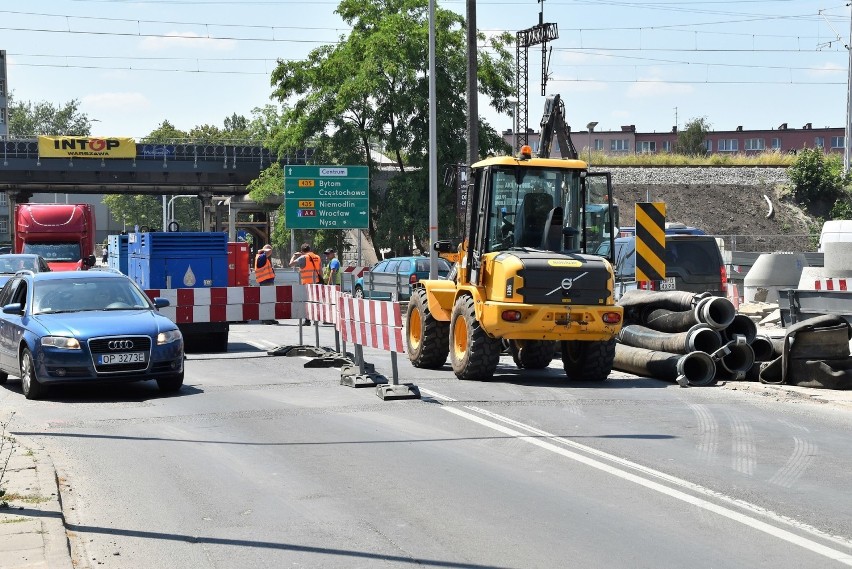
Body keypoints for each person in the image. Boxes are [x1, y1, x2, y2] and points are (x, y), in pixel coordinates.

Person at [289, 243, 322, 325]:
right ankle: (316, 320)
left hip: (307, 283)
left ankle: (307, 320)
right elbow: (320, 270)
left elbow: (291, 264)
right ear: (309, 249)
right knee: (315, 301)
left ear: (302, 251)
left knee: (307, 302)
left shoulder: (303, 257)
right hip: (316, 282)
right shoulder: (317, 257)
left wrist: (294, 255)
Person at [254, 244, 277, 324]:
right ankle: (265, 319)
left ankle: (270, 318)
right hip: (265, 282)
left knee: (270, 301)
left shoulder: (264, 258)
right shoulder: (261, 257)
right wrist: (265, 250)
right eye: (270, 251)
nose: (270, 253)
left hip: (268, 282)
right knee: (266, 301)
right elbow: (266, 252)